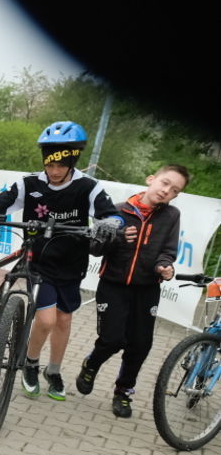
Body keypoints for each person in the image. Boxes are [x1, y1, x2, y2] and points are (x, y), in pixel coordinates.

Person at [0, 121, 124, 400]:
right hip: (39, 261)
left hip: (71, 264)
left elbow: (111, 214)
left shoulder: (88, 187)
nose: (54, 171)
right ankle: (31, 364)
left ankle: (53, 371)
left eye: (60, 165)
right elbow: (0, 203)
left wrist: (110, 224)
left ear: (72, 160)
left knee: (64, 319)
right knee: (45, 320)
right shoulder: (29, 184)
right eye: (49, 165)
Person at [77, 164, 190, 417]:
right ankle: (90, 365)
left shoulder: (172, 216)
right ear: (152, 179)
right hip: (113, 285)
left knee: (140, 344)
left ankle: (124, 391)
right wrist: (115, 238)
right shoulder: (116, 211)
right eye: (164, 183)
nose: (166, 191)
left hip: (147, 289)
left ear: (175, 196)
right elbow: (94, 248)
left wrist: (165, 266)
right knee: (112, 340)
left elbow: (169, 251)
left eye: (174, 190)